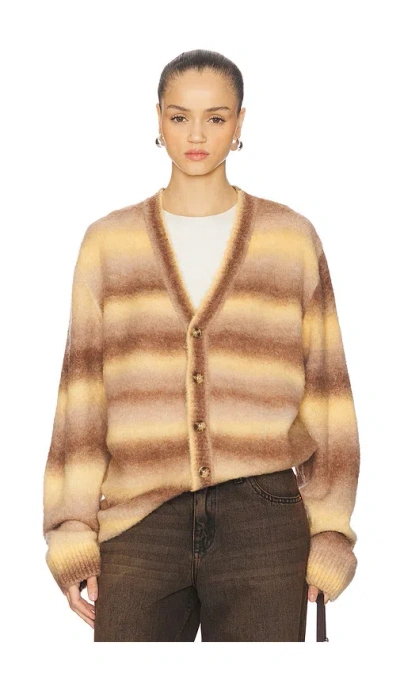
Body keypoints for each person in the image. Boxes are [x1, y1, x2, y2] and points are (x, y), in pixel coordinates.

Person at [42, 49, 360, 641]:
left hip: (263, 521)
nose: (196, 135)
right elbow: (81, 399)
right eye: (179, 116)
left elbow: (328, 396)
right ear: (158, 120)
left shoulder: (290, 240)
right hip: (138, 521)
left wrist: (330, 532)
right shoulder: (108, 245)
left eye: (216, 117)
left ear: (240, 123)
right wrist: (72, 531)